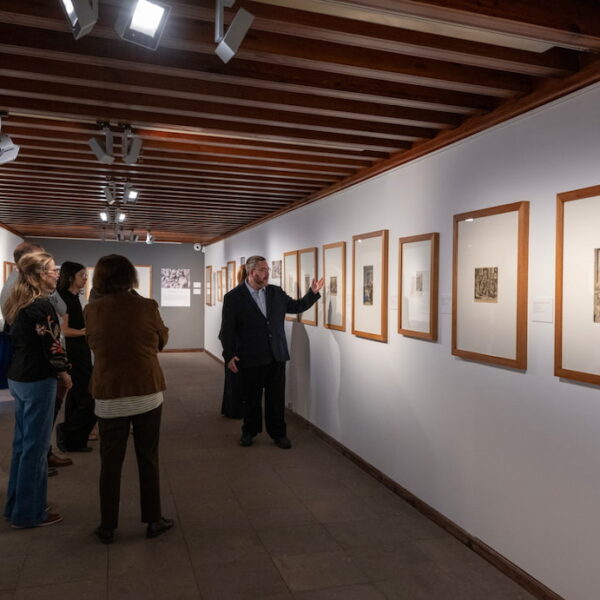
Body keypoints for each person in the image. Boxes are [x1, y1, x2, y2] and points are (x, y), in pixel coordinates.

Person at [84, 254, 173, 544]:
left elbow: (92, 343)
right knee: (148, 457)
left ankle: (108, 525)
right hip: (146, 391)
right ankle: (154, 520)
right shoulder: (146, 306)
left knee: (110, 463)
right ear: (130, 277)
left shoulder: (92, 310)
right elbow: (162, 340)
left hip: (109, 394)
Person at [219, 255, 324, 449]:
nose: (267, 273)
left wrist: (313, 292)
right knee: (252, 398)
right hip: (250, 357)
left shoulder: (275, 292)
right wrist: (229, 355)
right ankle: (249, 431)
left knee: (276, 398)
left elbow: (297, 306)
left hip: (276, 356)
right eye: (263, 270)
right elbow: (227, 330)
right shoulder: (234, 297)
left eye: (268, 269)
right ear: (252, 273)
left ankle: (278, 434)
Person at [3, 252, 72, 528]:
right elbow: (53, 347)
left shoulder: (17, 303)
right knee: (35, 448)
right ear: (41, 275)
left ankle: (16, 506)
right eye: (54, 270)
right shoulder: (42, 306)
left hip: (18, 379)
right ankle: (29, 513)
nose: (57, 274)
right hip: (37, 380)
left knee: (22, 445)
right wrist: (65, 374)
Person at [55, 262, 96, 452]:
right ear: (71, 277)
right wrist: (85, 332)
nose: (85, 278)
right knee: (87, 398)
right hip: (74, 354)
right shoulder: (65, 298)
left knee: (76, 397)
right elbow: (65, 331)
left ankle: (73, 440)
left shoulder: (72, 297)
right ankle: (68, 432)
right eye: (82, 275)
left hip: (80, 351)